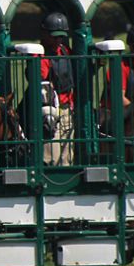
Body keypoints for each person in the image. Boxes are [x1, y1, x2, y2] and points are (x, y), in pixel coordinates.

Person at [40, 12, 77, 166]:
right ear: (45, 35)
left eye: (60, 37)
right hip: (51, 113)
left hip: (67, 109)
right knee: (52, 158)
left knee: (67, 158)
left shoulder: (66, 51)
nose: (58, 40)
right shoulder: (41, 55)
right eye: (54, 37)